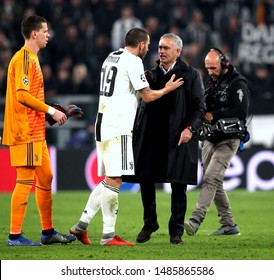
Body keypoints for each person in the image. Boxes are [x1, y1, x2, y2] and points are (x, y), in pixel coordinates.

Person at [69, 28, 183, 246]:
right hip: (118, 125)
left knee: (109, 179)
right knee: (115, 179)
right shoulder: (133, 61)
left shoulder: (110, 57)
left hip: (102, 123)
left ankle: (81, 226)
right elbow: (147, 96)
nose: (149, 48)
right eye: (148, 45)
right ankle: (108, 235)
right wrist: (167, 89)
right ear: (140, 45)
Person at [124, 33, 206, 244]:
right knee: (146, 179)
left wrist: (190, 128)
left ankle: (176, 229)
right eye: (159, 47)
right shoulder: (149, 74)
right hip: (151, 137)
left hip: (178, 137)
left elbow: (200, 107)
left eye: (166, 48)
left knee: (179, 184)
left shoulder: (191, 75)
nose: (161, 51)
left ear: (178, 51)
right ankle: (150, 222)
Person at [2, 15, 76, 246]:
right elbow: (22, 96)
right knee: (24, 181)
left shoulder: (32, 59)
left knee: (46, 177)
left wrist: (55, 110)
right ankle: (14, 236)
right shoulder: (23, 58)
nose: (48, 35)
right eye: (45, 31)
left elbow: (30, 97)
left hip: (36, 131)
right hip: (24, 132)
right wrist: (51, 112)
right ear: (34, 34)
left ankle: (48, 232)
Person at [184, 48, 250, 236]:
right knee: (215, 181)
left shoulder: (238, 83)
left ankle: (196, 219)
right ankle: (229, 225)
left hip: (229, 139)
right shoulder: (211, 83)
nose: (210, 72)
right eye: (207, 68)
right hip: (210, 138)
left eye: (213, 68)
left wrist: (215, 116)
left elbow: (241, 112)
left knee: (211, 178)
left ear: (223, 64)